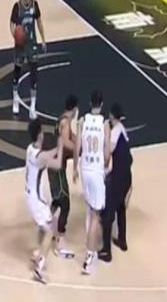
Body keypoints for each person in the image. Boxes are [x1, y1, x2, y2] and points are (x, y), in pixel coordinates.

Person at [74, 90, 110, 275]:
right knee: (96, 214)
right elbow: (107, 151)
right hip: (96, 171)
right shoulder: (105, 123)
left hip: (84, 168)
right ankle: (89, 256)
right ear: (101, 104)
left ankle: (91, 247)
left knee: (89, 208)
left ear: (90, 103)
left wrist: (74, 168)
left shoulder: (82, 121)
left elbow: (77, 146)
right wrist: (106, 165)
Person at [25, 118, 64, 284]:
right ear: (40, 134)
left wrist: (56, 148)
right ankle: (39, 266)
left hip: (30, 195)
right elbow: (57, 164)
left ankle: (37, 252)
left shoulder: (30, 149)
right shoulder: (40, 157)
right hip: (36, 199)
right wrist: (61, 146)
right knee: (50, 229)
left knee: (42, 226)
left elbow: (46, 155)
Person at [99, 103, 133, 263]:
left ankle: (106, 251)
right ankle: (122, 240)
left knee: (107, 214)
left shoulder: (115, 132)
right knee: (121, 208)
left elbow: (108, 151)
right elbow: (129, 158)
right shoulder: (123, 130)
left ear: (112, 115)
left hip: (119, 177)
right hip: (127, 176)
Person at [10, 0, 47, 120]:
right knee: (17, 71)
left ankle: (33, 107)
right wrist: (15, 36)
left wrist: (43, 39)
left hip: (32, 44)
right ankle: (15, 99)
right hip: (21, 45)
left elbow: (39, 22)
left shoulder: (35, 4)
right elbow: (12, 24)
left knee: (34, 74)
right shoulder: (17, 6)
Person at [49, 95, 78, 259]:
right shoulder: (66, 122)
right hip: (57, 168)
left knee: (57, 200)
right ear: (74, 109)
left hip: (55, 165)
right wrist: (77, 149)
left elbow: (71, 137)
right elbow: (66, 142)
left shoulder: (61, 119)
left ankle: (47, 226)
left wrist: (80, 142)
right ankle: (59, 241)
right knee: (65, 203)